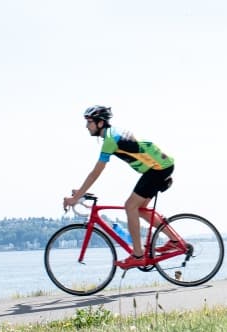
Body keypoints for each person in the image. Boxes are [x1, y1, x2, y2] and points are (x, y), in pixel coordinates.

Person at [63, 106, 175, 269]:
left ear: (100, 123)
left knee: (130, 206)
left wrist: (76, 197)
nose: (87, 126)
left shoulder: (110, 140)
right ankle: (174, 241)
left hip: (158, 169)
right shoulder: (112, 134)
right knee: (140, 209)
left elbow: (95, 173)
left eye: (89, 122)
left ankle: (138, 254)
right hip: (159, 167)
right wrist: (81, 192)